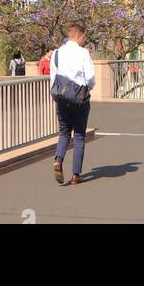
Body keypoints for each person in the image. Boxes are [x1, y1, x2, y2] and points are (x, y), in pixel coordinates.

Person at [50, 23, 96, 186]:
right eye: (84, 37)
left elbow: (53, 77)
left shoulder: (56, 53)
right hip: (79, 99)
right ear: (79, 36)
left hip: (61, 98)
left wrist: (56, 97)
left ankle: (58, 159)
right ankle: (76, 174)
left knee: (64, 133)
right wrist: (87, 89)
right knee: (79, 136)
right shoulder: (83, 53)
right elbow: (90, 78)